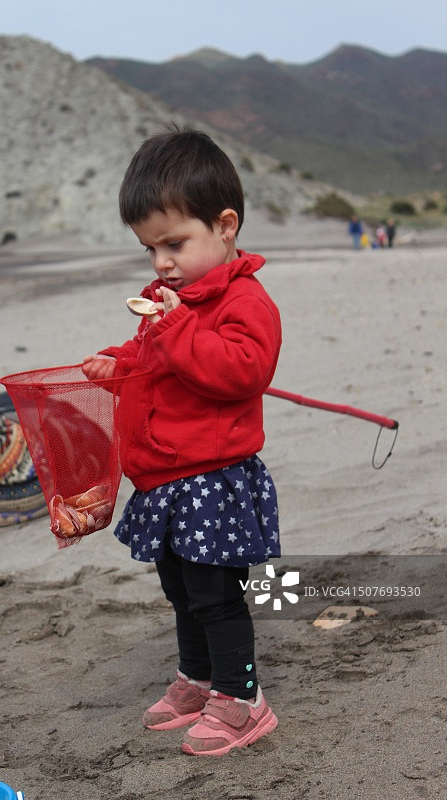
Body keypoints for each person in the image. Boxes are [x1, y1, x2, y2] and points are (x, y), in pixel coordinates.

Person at [82, 128, 282, 756]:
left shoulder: (243, 301)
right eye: (150, 248)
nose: (161, 262)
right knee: (182, 591)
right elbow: (149, 360)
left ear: (225, 226)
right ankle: (197, 679)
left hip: (212, 478)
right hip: (164, 478)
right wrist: (117, 362)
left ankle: (242, 698)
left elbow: (241, 371)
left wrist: (173, 329)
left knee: (219, 595)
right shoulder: (166, 303)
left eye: (175, 243)